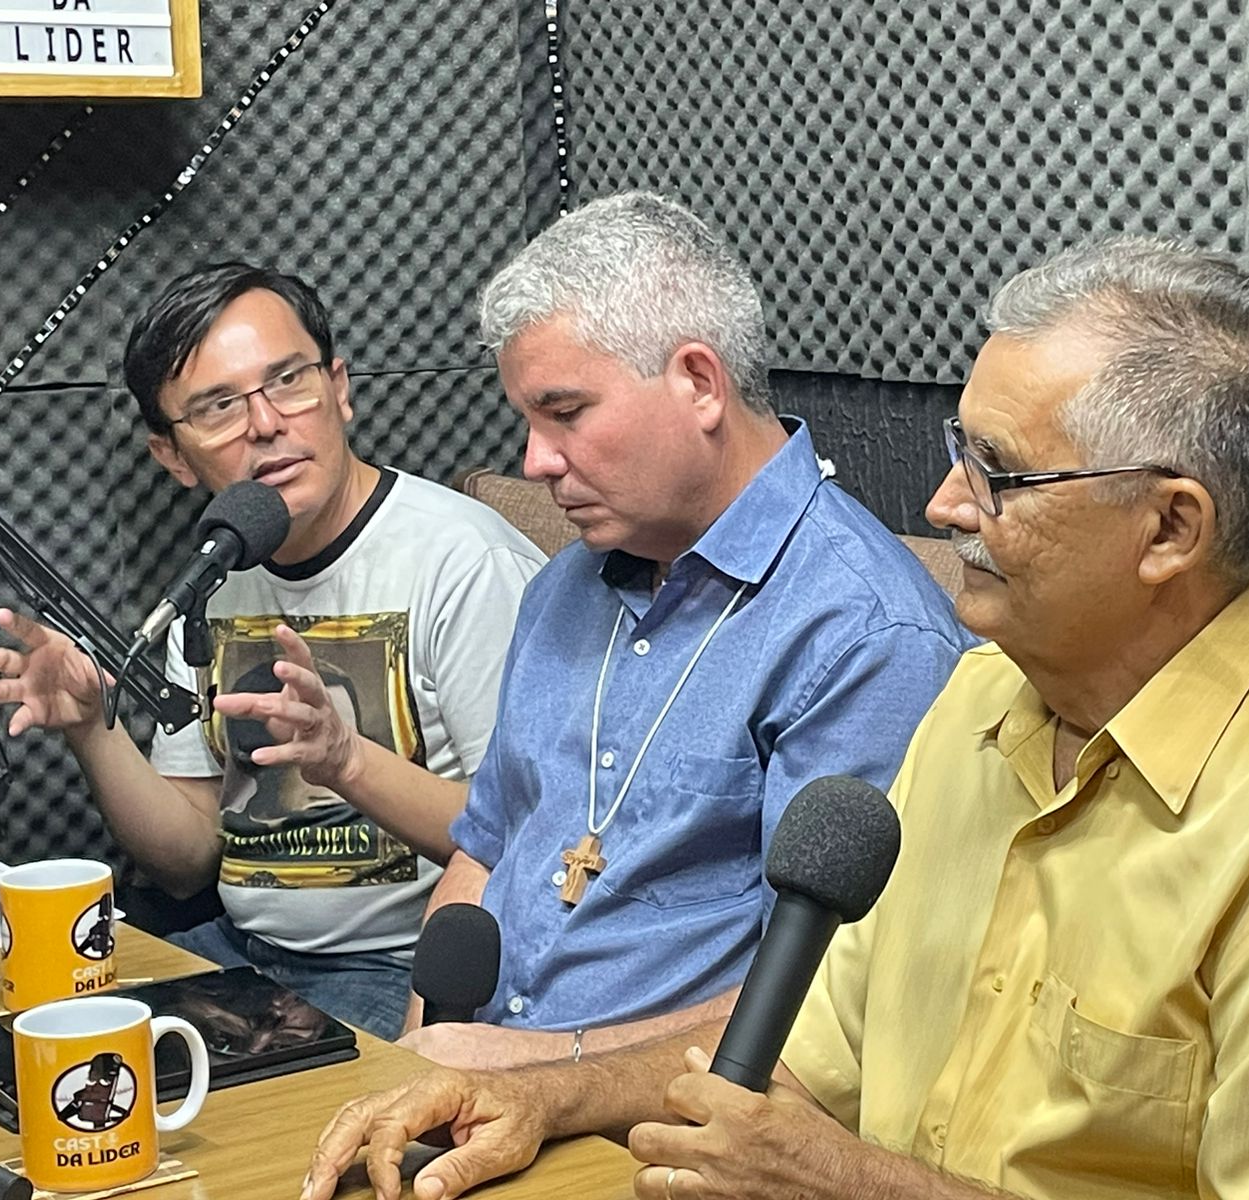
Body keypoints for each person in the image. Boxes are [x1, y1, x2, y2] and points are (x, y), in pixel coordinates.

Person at [301, 240, 1249, 1200]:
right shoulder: (973, 713)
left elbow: (827, 1152)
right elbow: (805, 1068)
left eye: (996, 473)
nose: (942, 503)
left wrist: (851, 1184)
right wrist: (534, 1094)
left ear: (1168, 530)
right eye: (959, 452)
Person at [397, 192, 971, 1069]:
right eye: (528, 421)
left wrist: (544, 1077)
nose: (535, 460)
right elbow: (486, 851)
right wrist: (418, 1059)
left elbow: (832, 998)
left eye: (565, 412)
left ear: (699, 384)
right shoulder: (563, 586)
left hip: (651, 1131)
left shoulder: (862, 632)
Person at [0, 263, 546, 1040]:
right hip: (243, 958)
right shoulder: (214, 575)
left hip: (401, 971)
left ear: (340, 389)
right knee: (36, 1044)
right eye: (219, 407)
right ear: (172, 457)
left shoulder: (465, 563)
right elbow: (188, 855)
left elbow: (524, 839)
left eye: (289, 381)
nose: (266, 423)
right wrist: (91, 728)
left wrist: (345, 758)